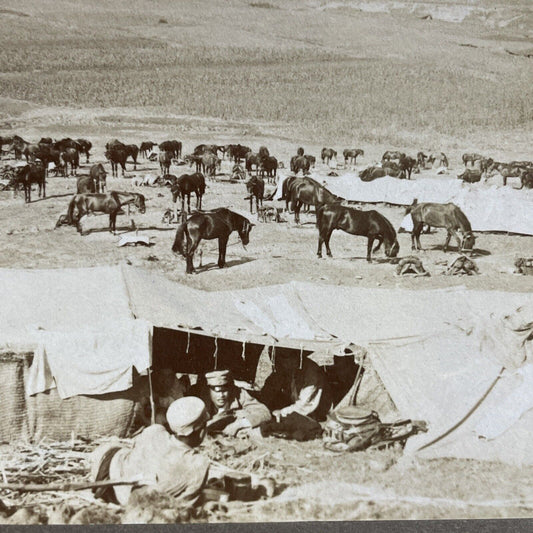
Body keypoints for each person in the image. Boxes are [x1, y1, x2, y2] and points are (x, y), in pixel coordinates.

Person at [91, 396, 211, 506]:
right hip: (131, 501)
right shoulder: (199, 464)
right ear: (201, 431)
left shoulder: (155, 431)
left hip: (106, 471)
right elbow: (183, 504)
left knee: (117, 449)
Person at [192, 370, 271, 437]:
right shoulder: (200, 400)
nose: (221, 395)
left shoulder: (238, 394)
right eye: (217, 391)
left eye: (224, 391)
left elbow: (264, 413)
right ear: (209, 390)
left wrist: (238, 424)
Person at [260, 351, 333, 422]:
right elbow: (268, 391)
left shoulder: (311, 373)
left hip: (315, 414)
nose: (278, 361)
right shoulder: (285, 368)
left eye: (283, 356)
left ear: (296, 355)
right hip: (294, 407)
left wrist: (281, 412)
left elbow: (304, 406)